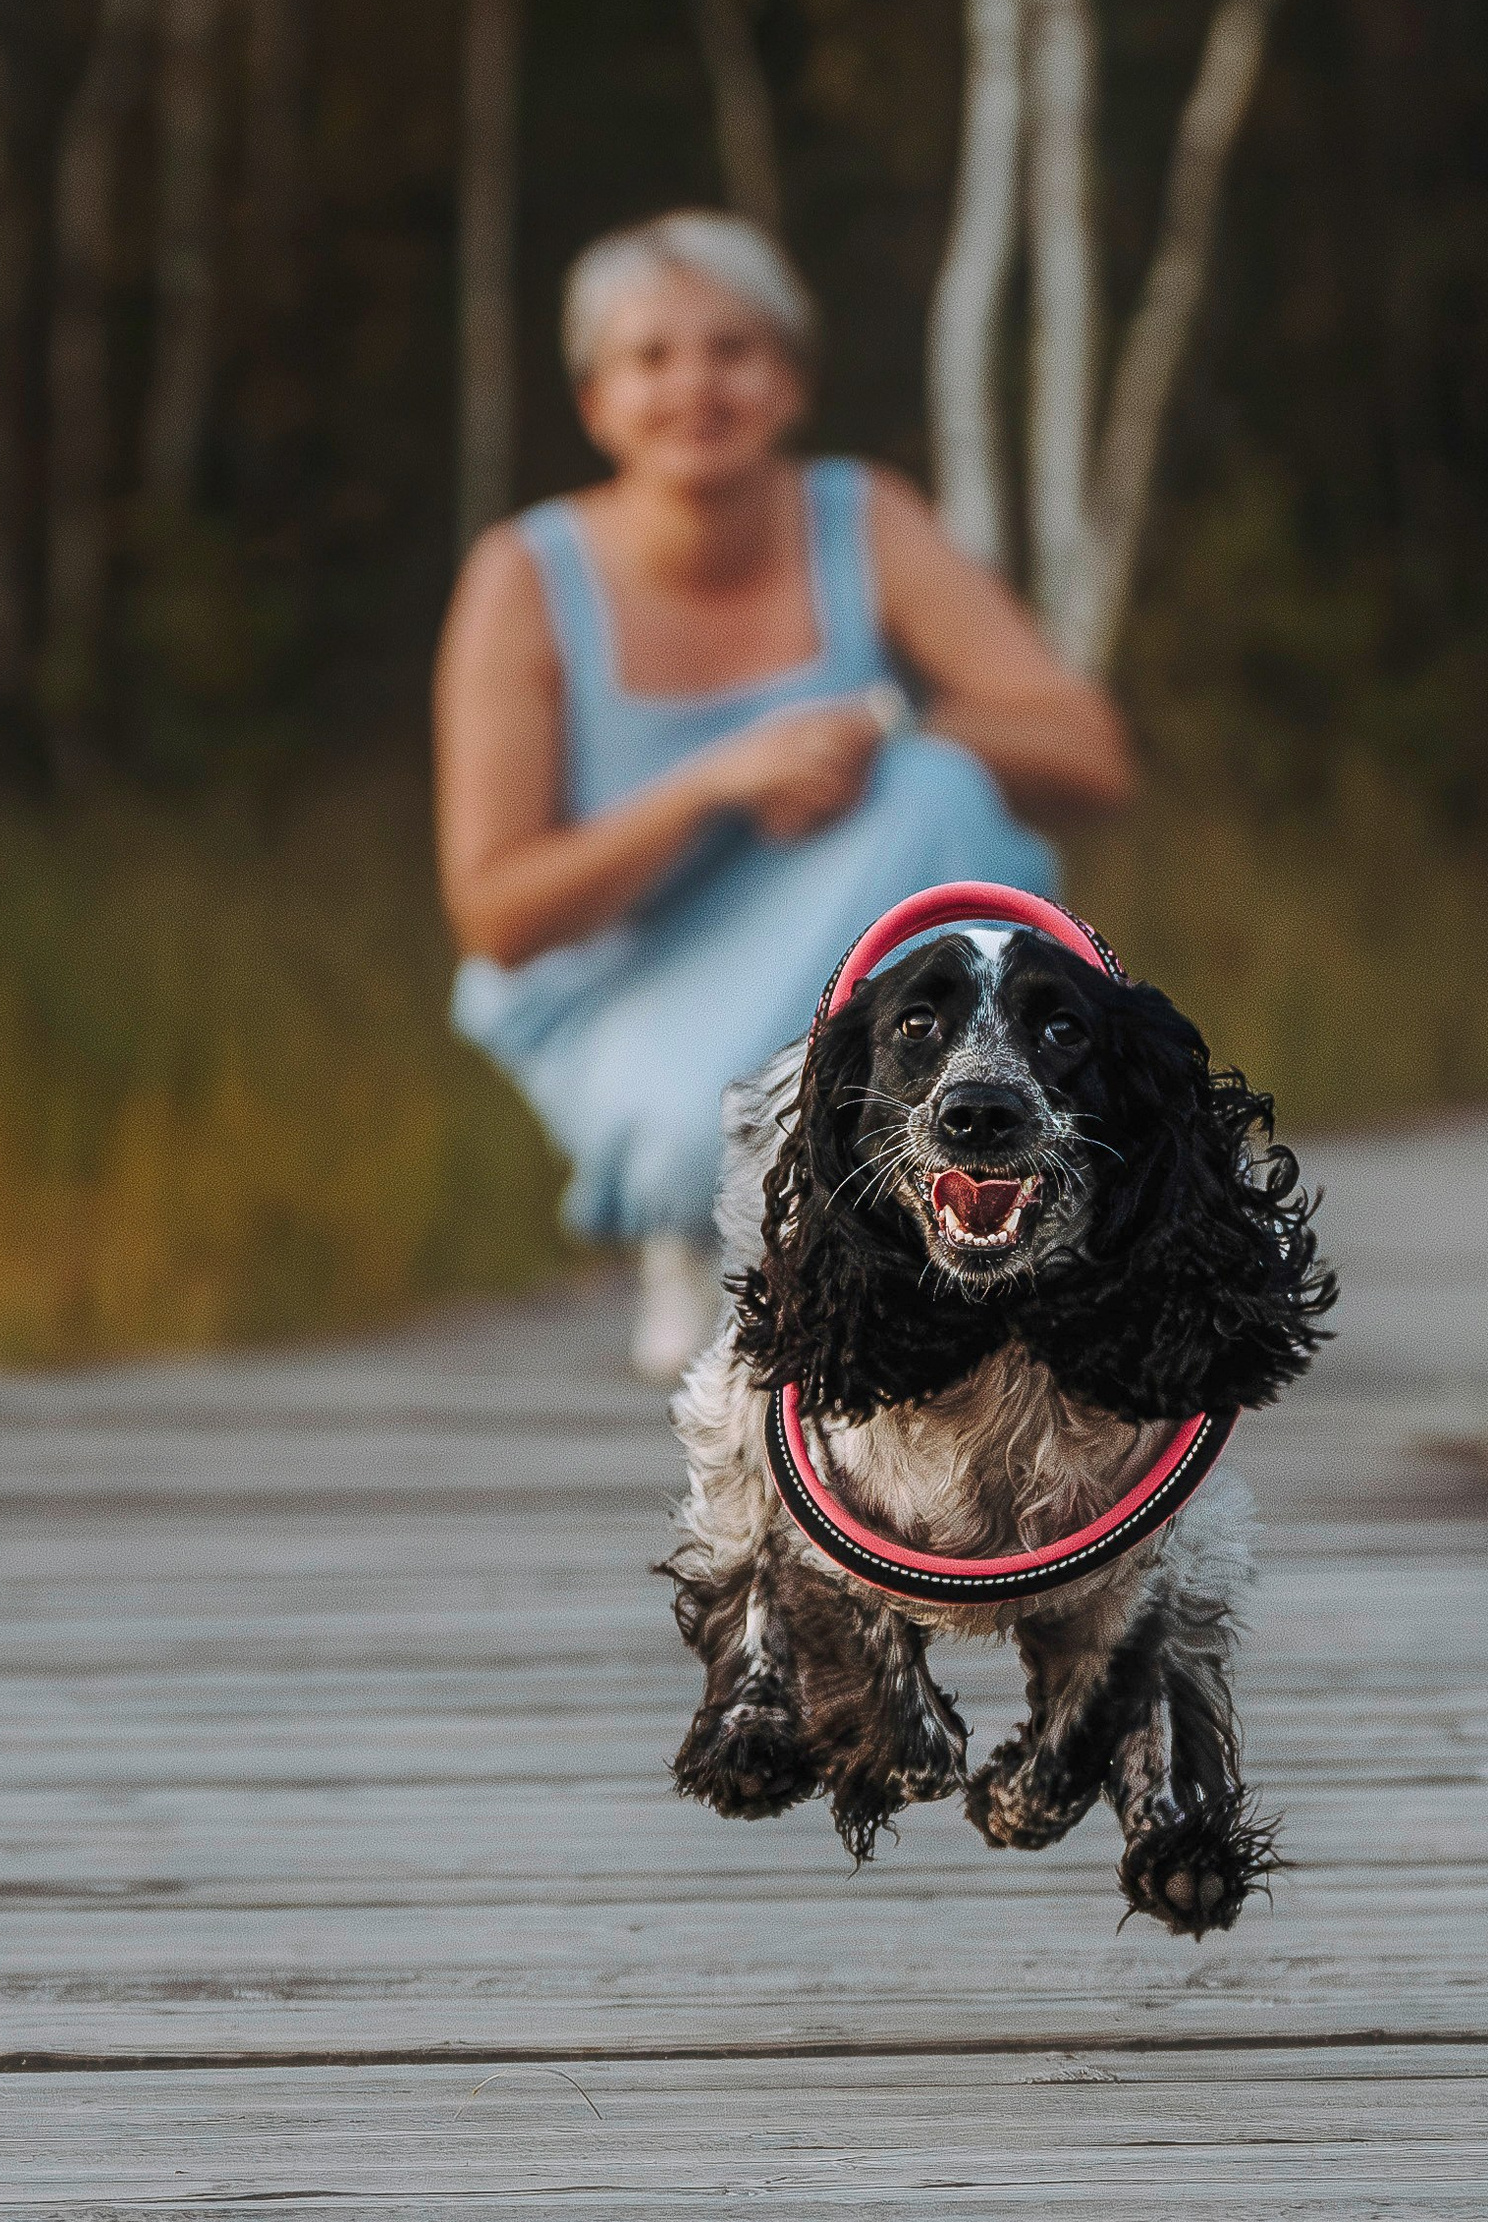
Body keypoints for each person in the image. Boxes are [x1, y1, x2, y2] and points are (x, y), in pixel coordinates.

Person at [436, 213, 1135, 1378]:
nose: (695, 384)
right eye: (651, 356)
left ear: (789, 382)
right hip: (623, 971)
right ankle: (694, 1225)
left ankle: (975, 1209)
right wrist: (712, 783)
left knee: (935, 782)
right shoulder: (522, 575)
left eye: (733, 349)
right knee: (691, 1143)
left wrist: (878, 721)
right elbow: (496, 916)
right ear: (597, 402)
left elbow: (1088, 755)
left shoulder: (863, 516)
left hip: (838, 922)